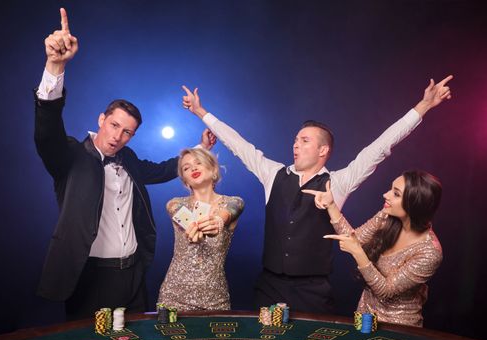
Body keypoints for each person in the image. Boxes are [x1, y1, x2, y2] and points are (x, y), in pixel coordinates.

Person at [181, 76, 452, 314]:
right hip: (269, 284)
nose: (295, 144)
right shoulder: (272, 173)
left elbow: (382, 145)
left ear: (323, 151)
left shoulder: (338, 182)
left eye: (304, 140)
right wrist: (201, 112)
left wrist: (424, 106)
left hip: (313, 291)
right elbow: (237, 143)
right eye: (295, 140)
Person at [34, 8, 215, 320]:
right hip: (88, 276)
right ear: (101, 120)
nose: (118, 136)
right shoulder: (71, 155)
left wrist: (201, 147)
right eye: (114, 125)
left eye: (127, 132)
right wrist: (55, 66)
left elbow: (160, 169)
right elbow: (46, 130)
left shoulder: (128, 158)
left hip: (131, 273)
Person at [305, 170, 443, 327]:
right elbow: (355, 238)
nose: (386, 194)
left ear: (415, 204)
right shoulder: (387, 216)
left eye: (396, 194)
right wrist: (330, 205)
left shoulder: (430, 252)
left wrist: (357, 251)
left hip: (399, 327)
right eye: (391, 189)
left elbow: (386, 291)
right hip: (364, 315)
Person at [157, 148, 244, 310]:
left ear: (213, 170)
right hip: (173, 297)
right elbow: (188, 222)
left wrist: (218, 221)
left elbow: (229, 211)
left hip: (215, 299)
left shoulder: (234, 202)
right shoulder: (175, 204)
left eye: (198, 163)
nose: (193, 168)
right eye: (186, 168)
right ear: (185, 180)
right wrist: (195, 231)